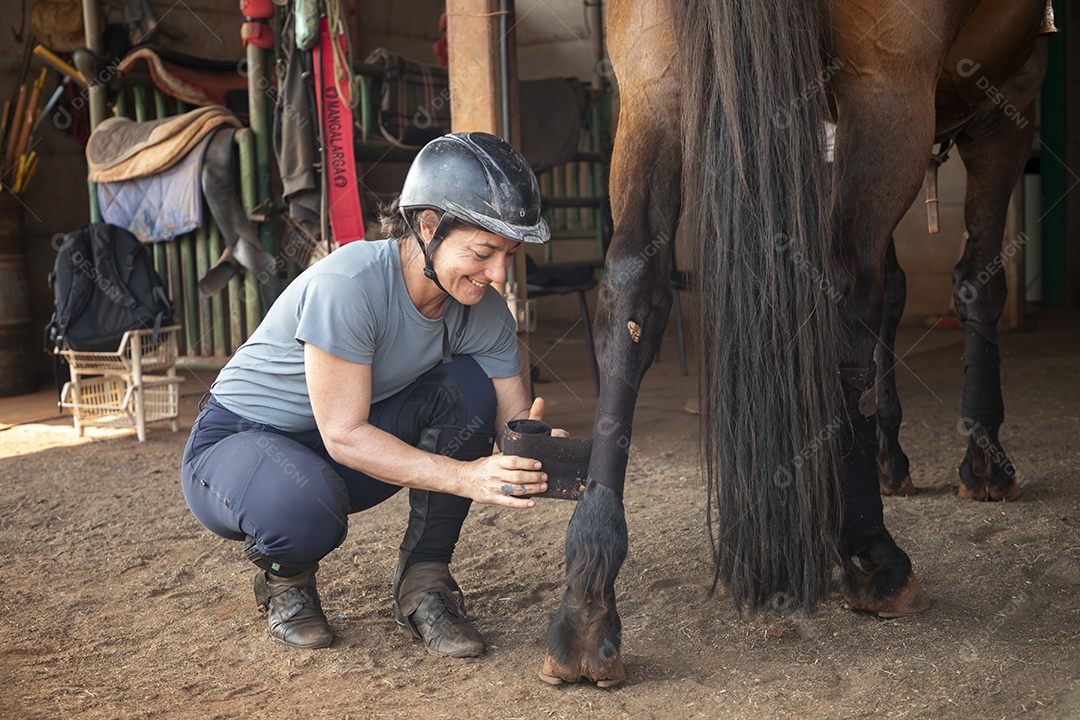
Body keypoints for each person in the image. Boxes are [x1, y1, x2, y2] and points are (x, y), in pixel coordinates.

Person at [181, 132, 560, 657]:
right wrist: (466, 476)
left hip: (338, 447)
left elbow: (510, 416)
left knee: (471, 391)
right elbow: (344, 435)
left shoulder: (483, 308)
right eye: (484, 251)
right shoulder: (351, 284)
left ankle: (424, 582)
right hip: (240, 444)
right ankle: (285, 581)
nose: (498, 274)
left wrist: (532, 447)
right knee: (302, 504)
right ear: (429, 227)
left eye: (509, 254)